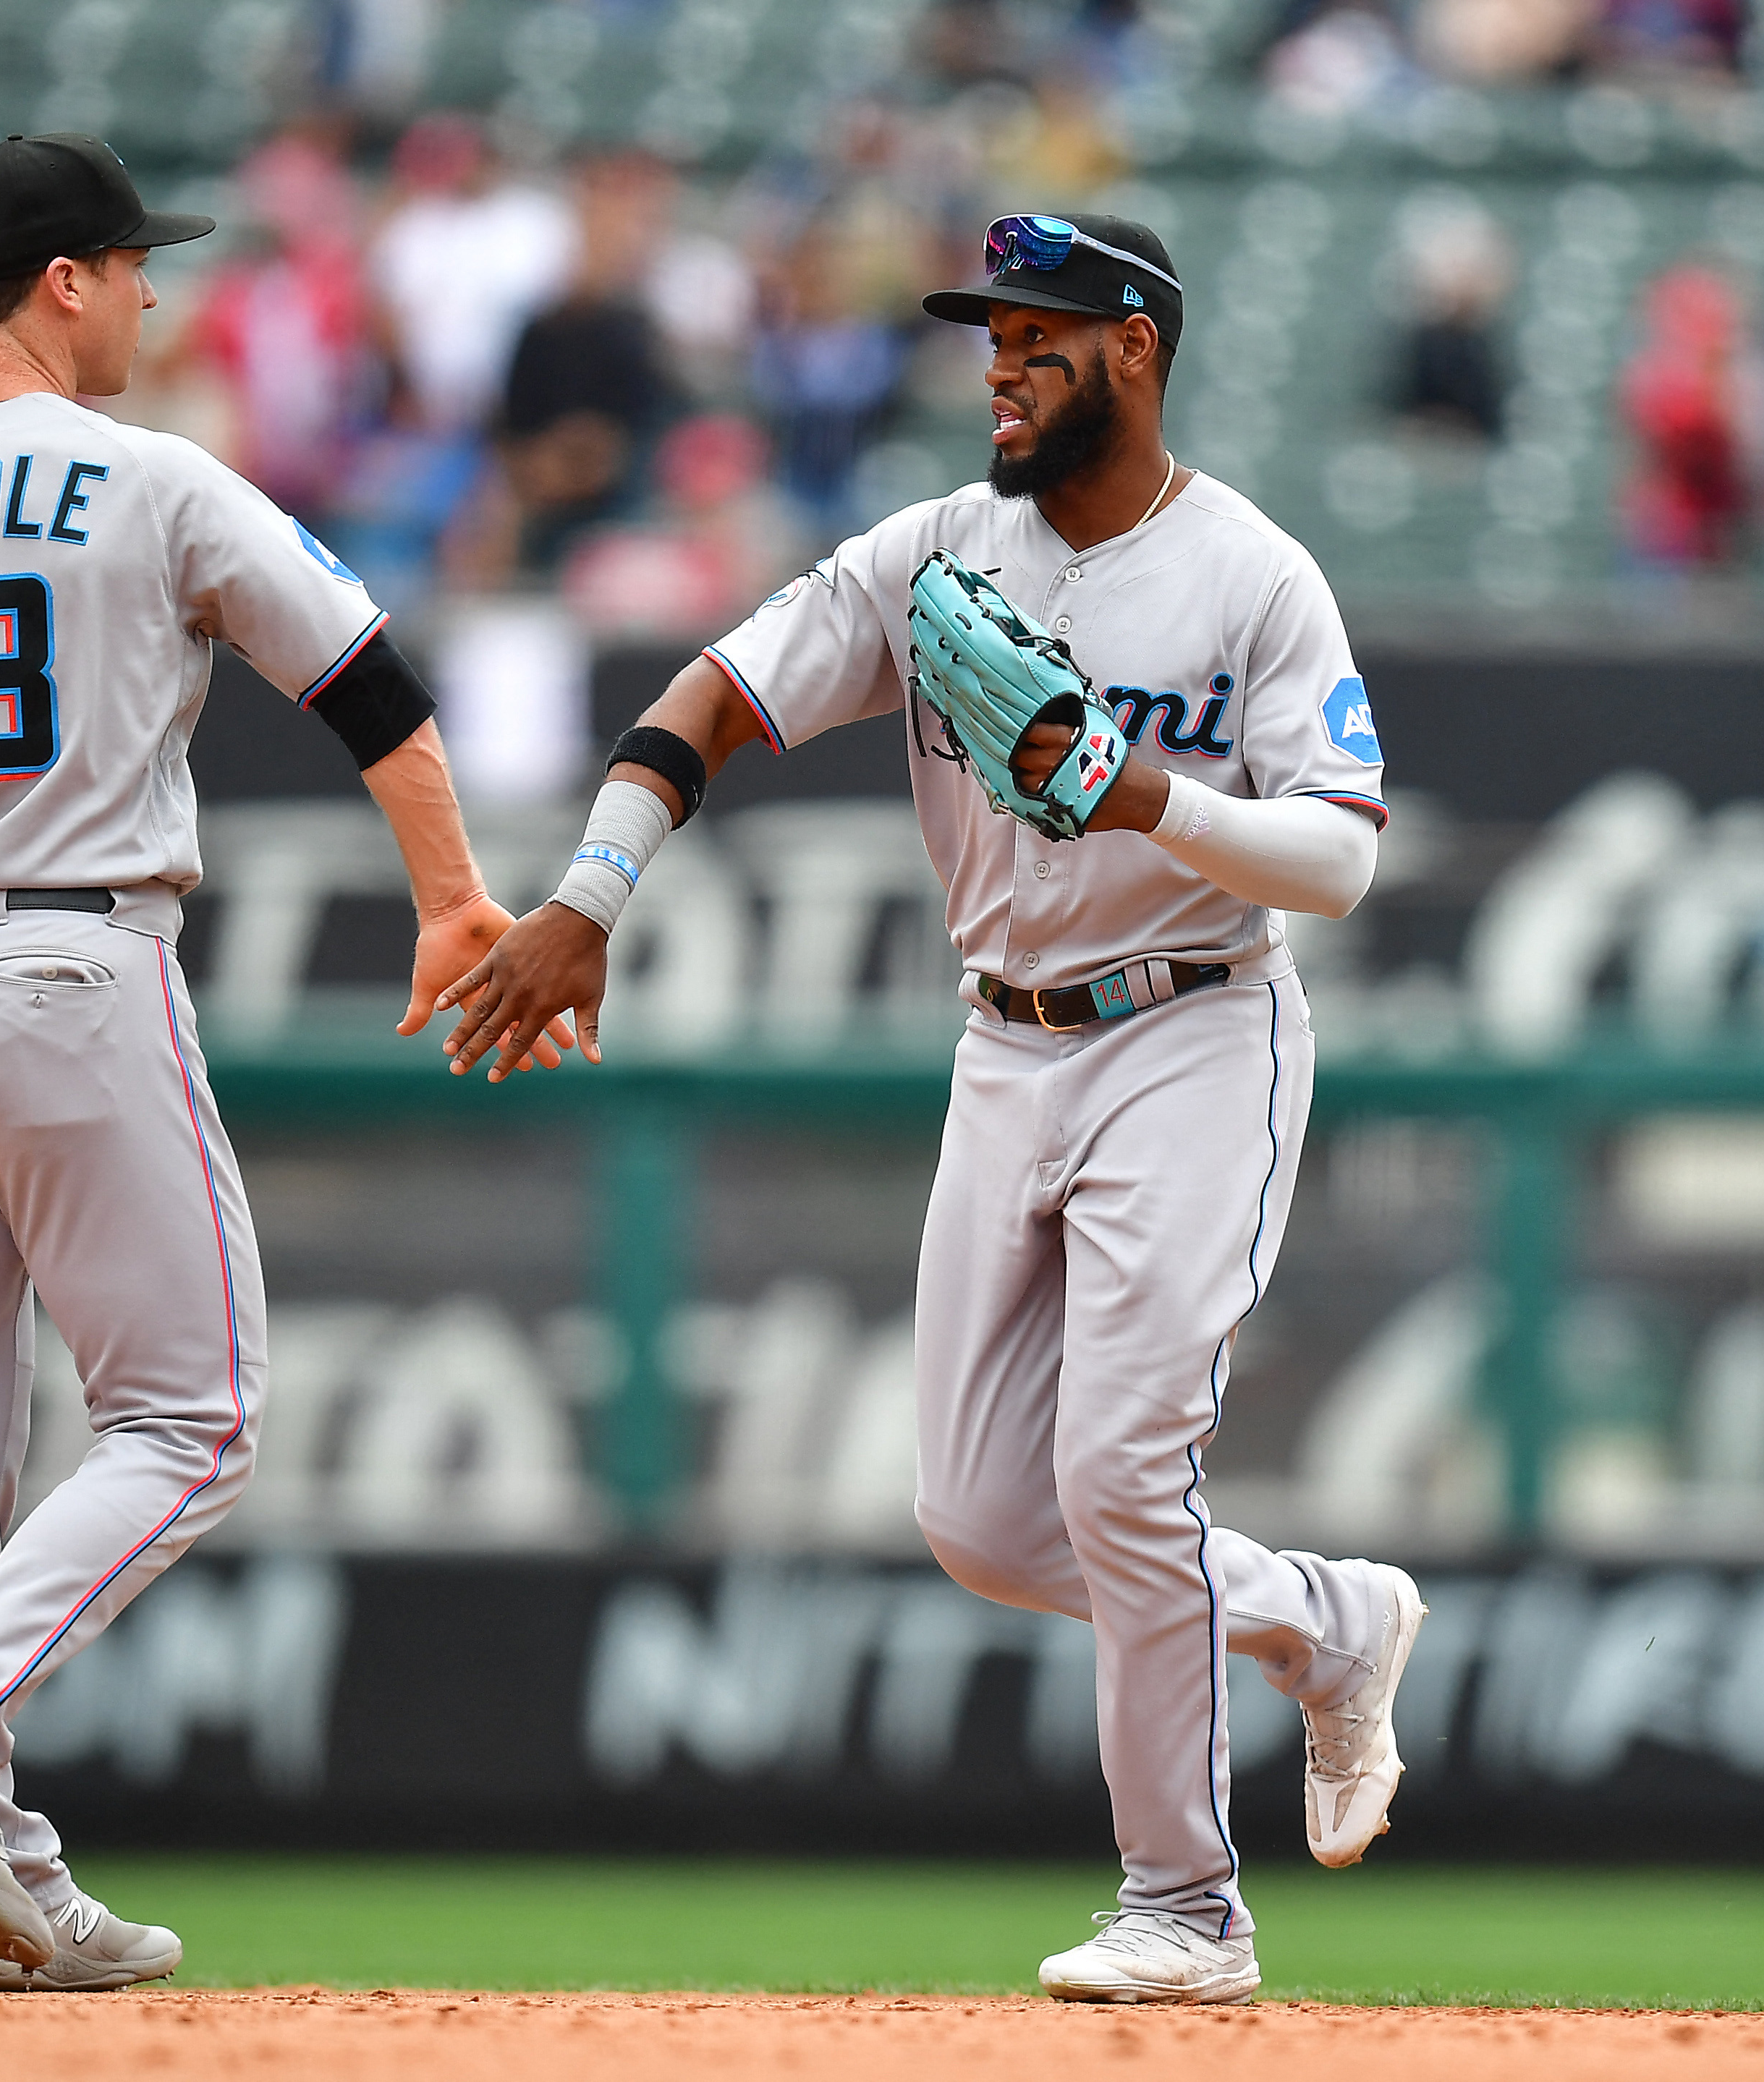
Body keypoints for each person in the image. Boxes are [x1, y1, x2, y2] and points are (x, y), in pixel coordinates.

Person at [437, 211, 1424, 2005]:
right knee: (982, 1519)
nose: (998, 359)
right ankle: (1321, 1618)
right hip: (1005, 1042)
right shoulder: (932, 556)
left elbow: (1339, 859)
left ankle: (1184, 1909)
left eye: (1038, 330)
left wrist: (1146, 800)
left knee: (1122, 1465)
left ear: (1134, 346)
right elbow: (710, 698)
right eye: (989, 332)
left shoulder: (1252, 575)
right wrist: (587, 892)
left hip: (1194, 1033)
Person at [0, 132, 556, 1993]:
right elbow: (368, 683)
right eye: (131, 265)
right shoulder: (145, 477)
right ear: (62, 279)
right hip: (71, 954)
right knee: (193, 1417)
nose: (155, 296)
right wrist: (449, 899)